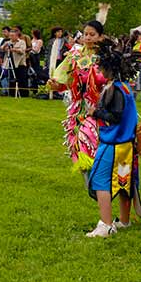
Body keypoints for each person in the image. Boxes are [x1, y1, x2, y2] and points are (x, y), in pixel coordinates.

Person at [85, 40, 141, 237]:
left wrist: (95, 113)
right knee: (124, 182)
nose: (99, 69)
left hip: (113, 145)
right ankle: (124, 221)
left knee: (100, 181)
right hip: (126, 146)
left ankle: (106, 224)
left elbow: (115, 117)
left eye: (101, 66)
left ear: (110, 68)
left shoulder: (116, 89)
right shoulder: (124, 87)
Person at [47, 20, 107, 178]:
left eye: (92, 34)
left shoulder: (106, 57)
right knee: (79, 146)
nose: (87, 37)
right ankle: (93, 183)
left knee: (91, 140)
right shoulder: (76, 56)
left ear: (101, 37)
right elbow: (68, 82)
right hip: (78, 109)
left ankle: (99, 182)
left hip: (99, 108)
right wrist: (56, 85)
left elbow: (109, 81)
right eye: (85, 34)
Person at [1, 28, 29, 97]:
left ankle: (23, 94)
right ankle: (12, 93)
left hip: (20, 63)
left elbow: (22, 51)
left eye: (12, 35)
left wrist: (13, 49)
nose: (11, 37)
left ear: (17, 36)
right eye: (10, 35)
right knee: (12, 79)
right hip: (10, 63)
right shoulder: (8, 42)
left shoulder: (22, 42)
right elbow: (1, 49)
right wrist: (5, 46)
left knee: (22, 79)